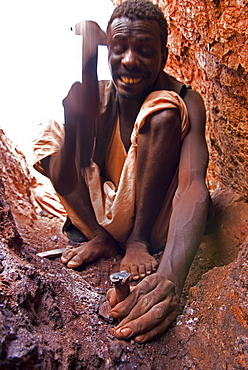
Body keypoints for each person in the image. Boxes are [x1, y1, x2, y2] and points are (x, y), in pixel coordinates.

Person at [33, 0, 210, 343]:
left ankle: (137, 241)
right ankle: (101, 237)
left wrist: (170, 276)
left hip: (155, 224)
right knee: (55, 134)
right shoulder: (99, 97)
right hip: (102, 216)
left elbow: (191, 186)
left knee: (163, 111)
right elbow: (71, 167)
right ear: (109, 53)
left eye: (144, 50)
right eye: (119, 49)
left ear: (165, 55)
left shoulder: (186, 99)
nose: (129, 60)